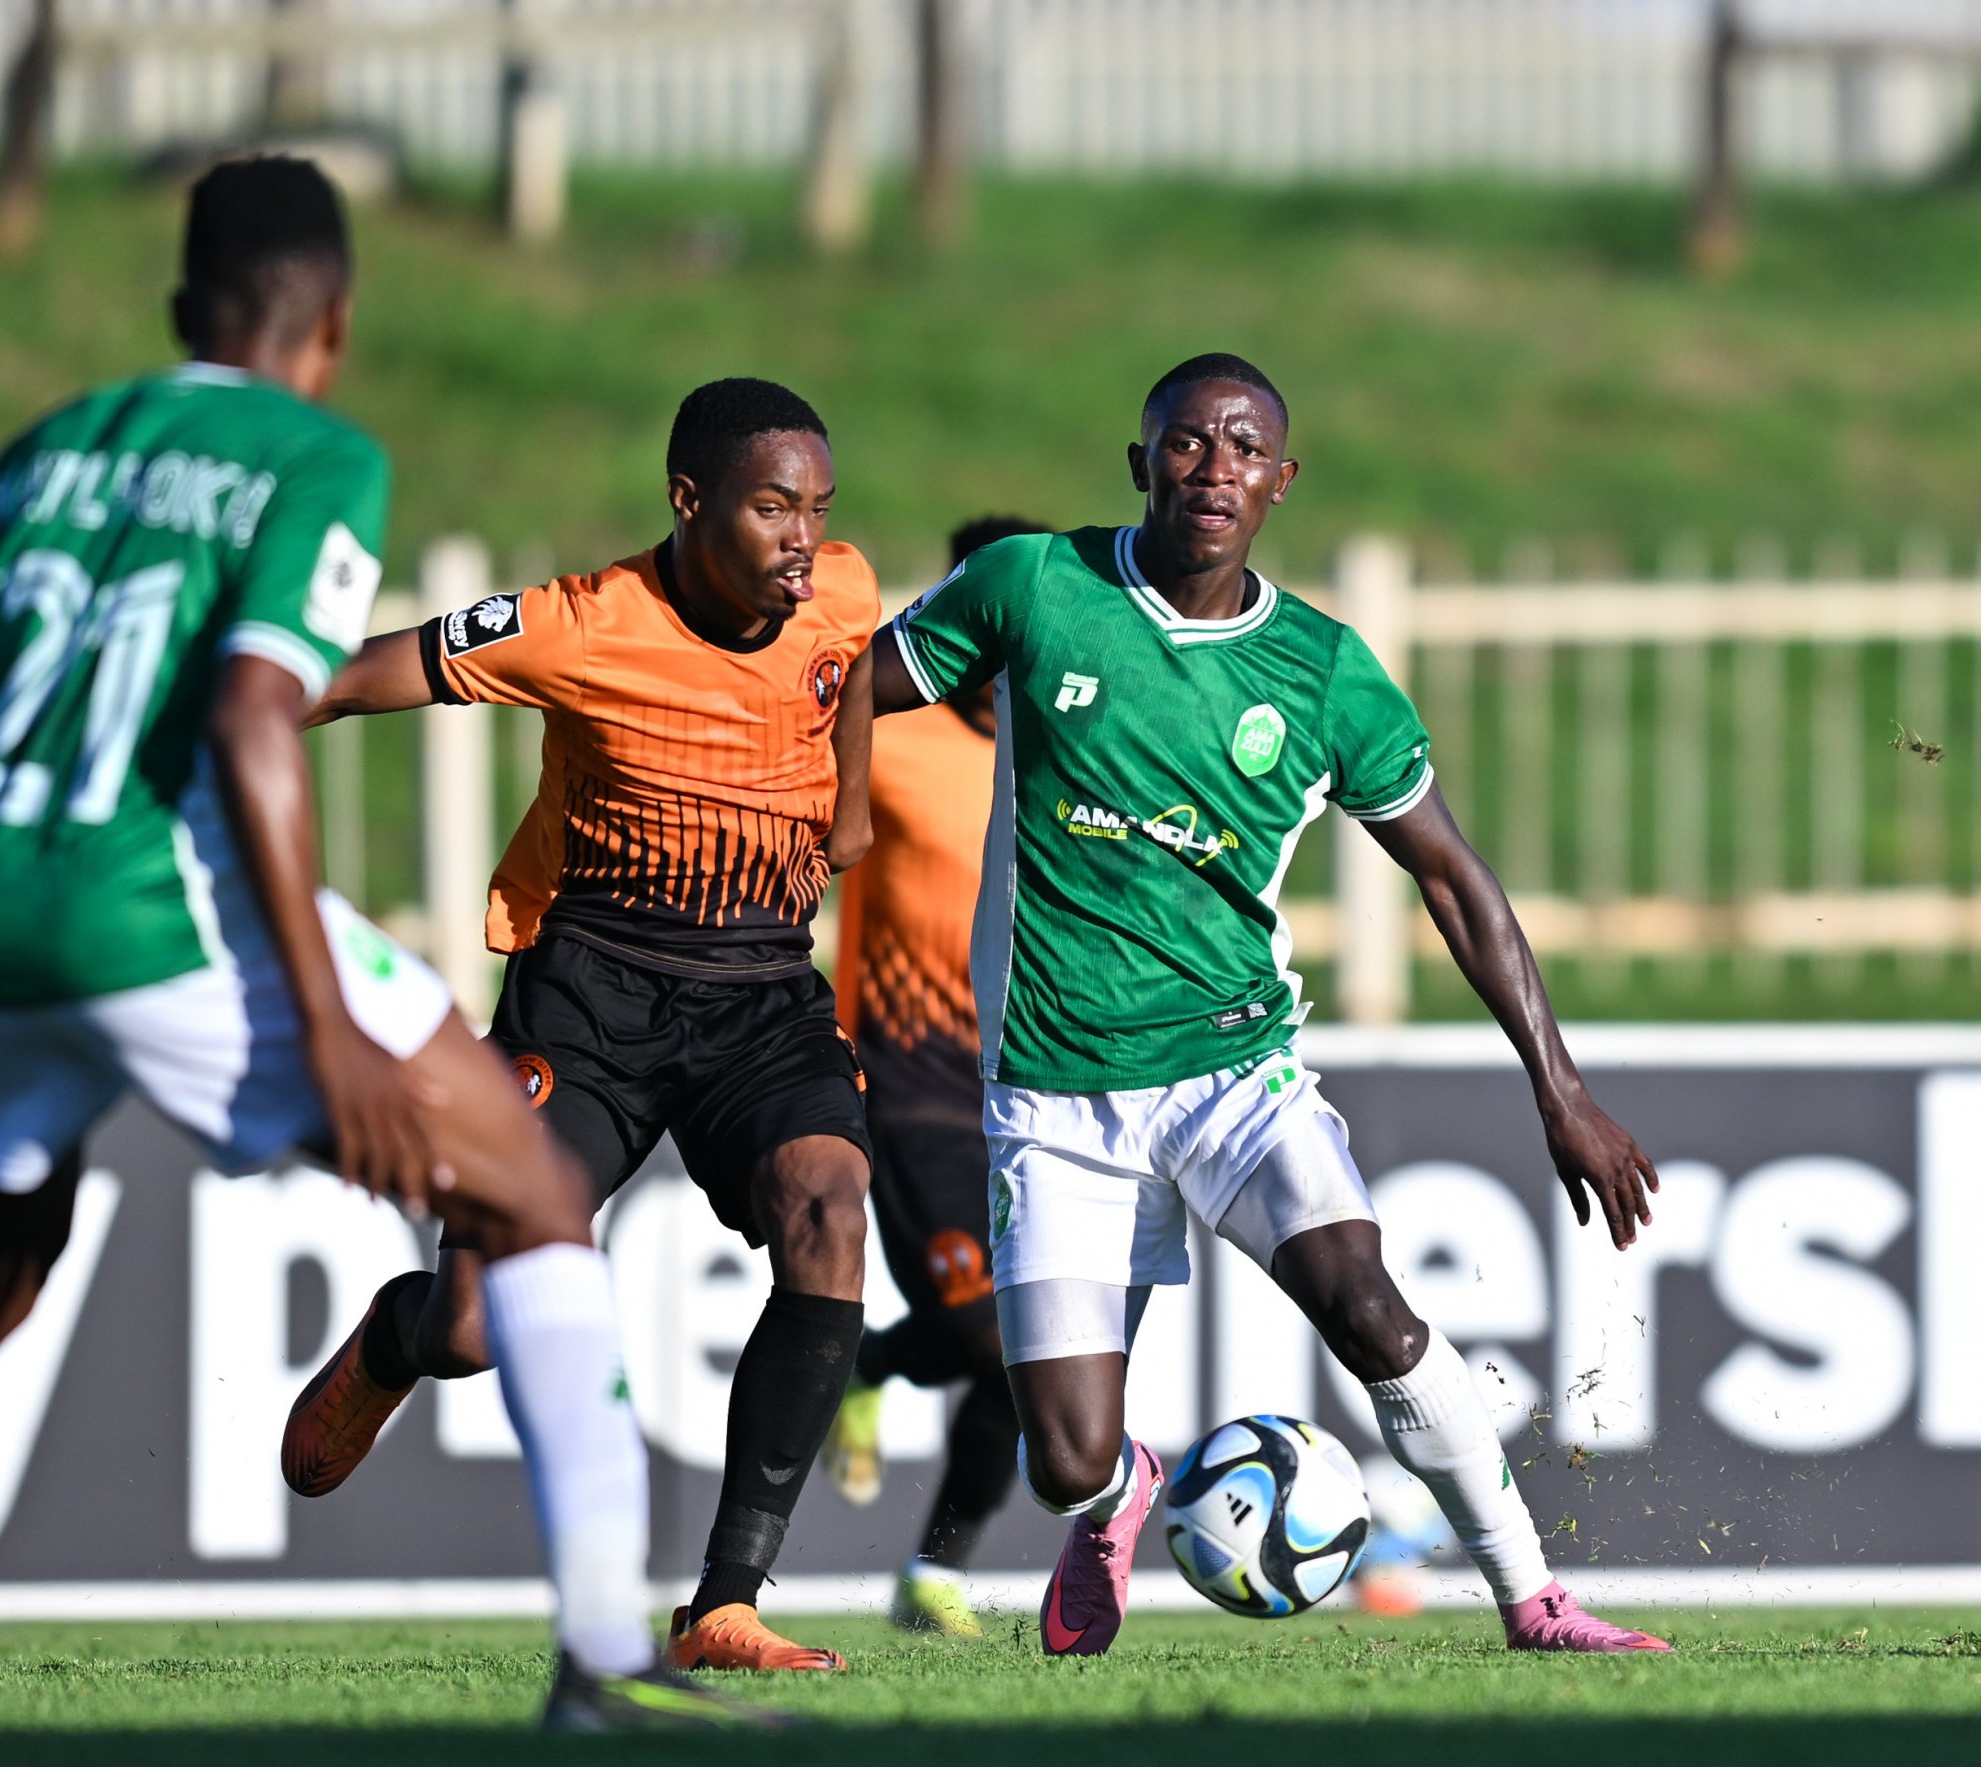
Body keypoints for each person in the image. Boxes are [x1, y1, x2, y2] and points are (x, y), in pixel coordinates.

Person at [0, 157, 758, 1736]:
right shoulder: (313, 456)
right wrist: (324, 1025)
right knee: (533, 1196)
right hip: (157, 899)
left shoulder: (43, 455)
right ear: (333, 321)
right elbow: (251, 720)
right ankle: (606, 1656)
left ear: (177, 307)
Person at [865, 352, 1673, 1658]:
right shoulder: (1034, 586)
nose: (1215, 469)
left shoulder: (1322, 671)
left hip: (1234, 1074)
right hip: (1054, 1091)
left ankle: (1533, 1597)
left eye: (1244, 449)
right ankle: (1116, 1498)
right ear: (1142, 462)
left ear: (1281, 480)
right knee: (1063, 1458)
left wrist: (1561, 1089)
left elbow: (1453, 880)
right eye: (1189, 442)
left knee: (1367, 1303)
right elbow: (844, 691)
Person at [280, 378, 881, 1674]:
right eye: (774, 507)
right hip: (590, 994)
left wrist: (851, 805)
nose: (804, 539)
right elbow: (360, 677)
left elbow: (853, 671)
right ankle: (397, 1334)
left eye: (818, 509)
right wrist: (212, 728)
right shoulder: (581, 622)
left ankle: (724, 1604)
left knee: (831, 1210)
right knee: (472, 1328)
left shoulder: (841, 589)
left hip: (761, 992)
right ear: (689, 500)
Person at [821, 515, 1047, 1640]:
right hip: (905, 1077)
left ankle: (932, 1573)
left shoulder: (1073, 743)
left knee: (1031, 1347)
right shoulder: (888, 731)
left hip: (1032, 1084)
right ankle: (869, 1361)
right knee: (976, 1332)